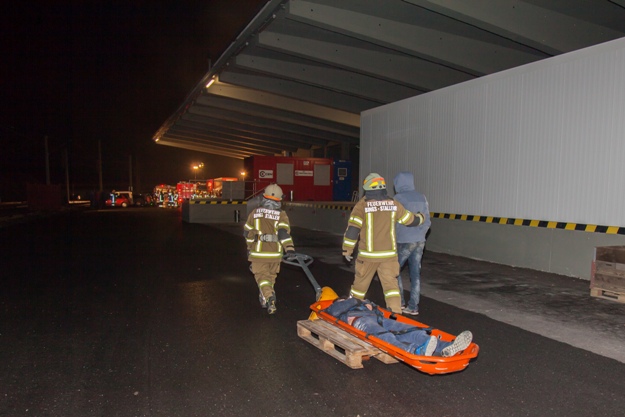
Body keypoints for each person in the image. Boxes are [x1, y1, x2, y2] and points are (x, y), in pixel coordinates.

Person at [342, 173, 425, 314]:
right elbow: (409, 220)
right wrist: (421, 217)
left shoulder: (362, 206)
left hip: (368, 256)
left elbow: (353, 230)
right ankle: (395, 315)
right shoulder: (393, 204)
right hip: (389, 256)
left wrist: (347, 250)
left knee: (359, 288)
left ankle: (353, 313)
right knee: (391, 288)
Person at [324, 297, 473, 357]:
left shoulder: (357, 301)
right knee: (385, 336)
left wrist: (367, 304)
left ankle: (446, 347)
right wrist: (356, 301)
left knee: (409, 330)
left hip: (379, 318)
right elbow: (333, 312)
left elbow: (374, 306)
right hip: (360, 321)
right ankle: (415, 351)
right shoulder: (336, 306)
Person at [244, 184, 296, 314]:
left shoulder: (254, 213)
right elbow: (283, 233)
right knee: (270, 278)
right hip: (275, 255)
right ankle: (266, 299)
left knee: (262, 277)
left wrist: (249, 248)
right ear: (279, 200)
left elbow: (247, 233)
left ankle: (269, 297)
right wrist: (289, 249)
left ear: (264, 197)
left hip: (259, 253)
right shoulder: (282, 215)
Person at [393, 172, 431, 316]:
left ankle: (400, 302)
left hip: (403, 240)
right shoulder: (422, 197)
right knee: (415, 274)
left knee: (394, 271)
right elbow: (427, 221)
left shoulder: (398, 199)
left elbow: (394, 221)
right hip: (420, 241)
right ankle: (413, 306)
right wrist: (420, 234)